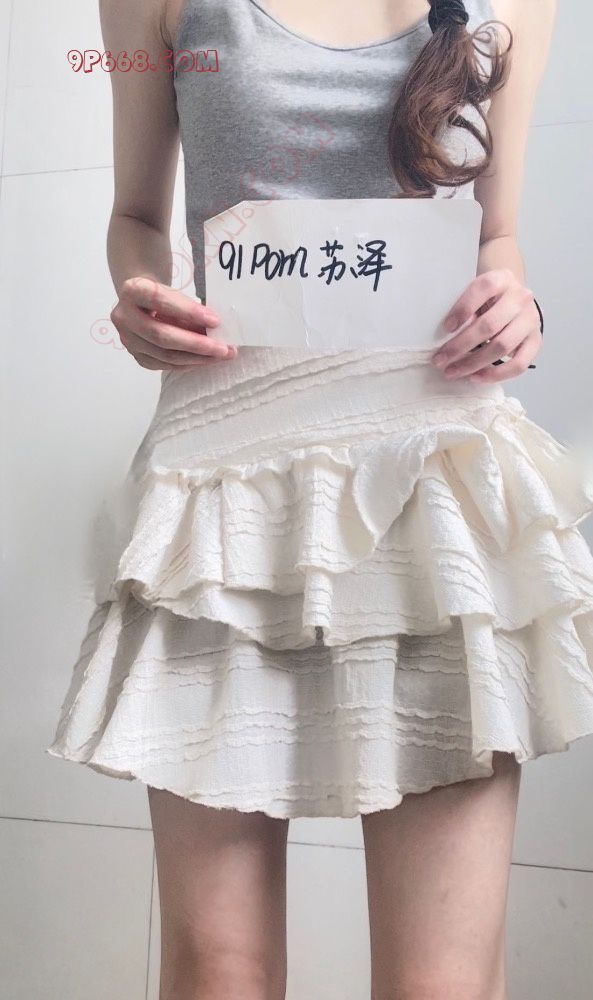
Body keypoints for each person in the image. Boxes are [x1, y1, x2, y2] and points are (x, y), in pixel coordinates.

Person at [47, 0, 593, 997]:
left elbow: (497, 237)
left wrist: (517, 306)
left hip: (431, 489)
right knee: (219, 973)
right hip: (222, 495)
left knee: (439, 982)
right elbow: (136, 218)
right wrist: (141, 292)